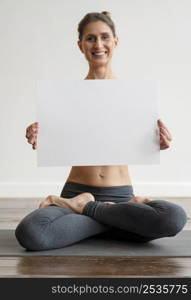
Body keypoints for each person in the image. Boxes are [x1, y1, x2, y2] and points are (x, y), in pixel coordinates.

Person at [15, 11, 187, 251]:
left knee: (174, 217)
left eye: (105, 37)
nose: (98, 44)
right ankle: (114, 219)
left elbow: (143, 141)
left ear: (116, 41)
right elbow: (56, 139)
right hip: (77, 191)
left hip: (120, 197)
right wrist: (39, 133)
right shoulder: (65, 97)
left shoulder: (135, 96)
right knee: (31, 233)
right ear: (80, 45)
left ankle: (83, 209)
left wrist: (158, 140)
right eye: (90, 38)